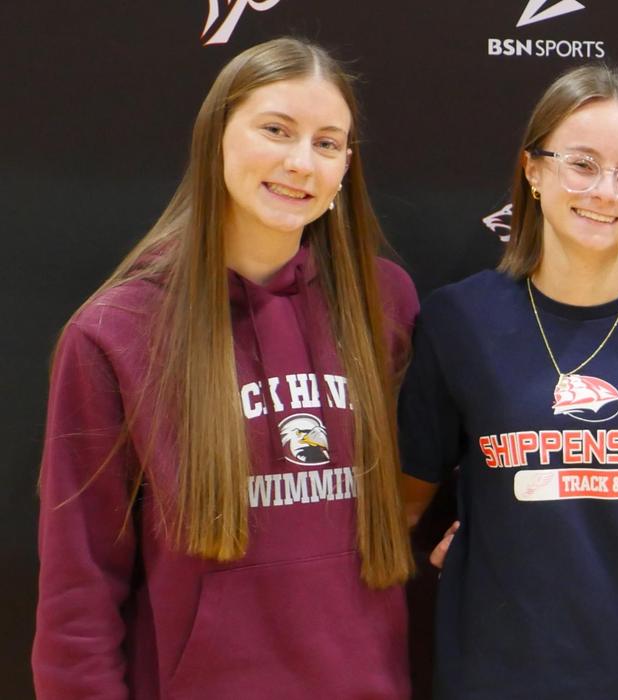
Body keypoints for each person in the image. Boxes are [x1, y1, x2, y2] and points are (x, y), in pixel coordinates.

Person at [35, 38, 418, 698]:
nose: (301, 162)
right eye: (276, 130)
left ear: (345, 166)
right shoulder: (116, 332)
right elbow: (79, 592)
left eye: (328, 144)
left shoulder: (384, 302)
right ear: (217, 135)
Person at [396, 65, 618, 699]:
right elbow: (410, 497)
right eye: (582, 163)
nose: (606, 191)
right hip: (497, 674)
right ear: (533, 169)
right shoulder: (459, 317)